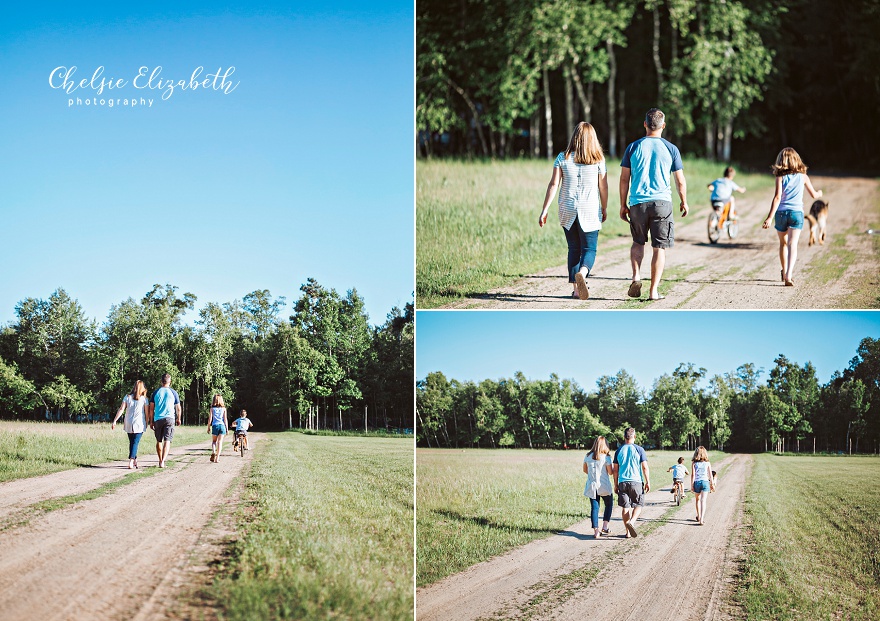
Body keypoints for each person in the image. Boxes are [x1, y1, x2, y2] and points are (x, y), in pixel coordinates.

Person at [619, 108, 689, 301]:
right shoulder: (671, 148)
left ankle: (636, 276)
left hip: (637, 203)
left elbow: (624, 179)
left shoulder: (633, 147)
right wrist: (684, 201)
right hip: (662, 204)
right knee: (659, 247)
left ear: (645, 124)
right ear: (663, 126)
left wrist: (623, 204)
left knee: (637, 242)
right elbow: (680, 181)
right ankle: (653, 291)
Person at [539, 121, 609, 300]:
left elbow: (554, 184)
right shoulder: (598, 160)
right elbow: (603, 188)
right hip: (590, 209)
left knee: (573, 248)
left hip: (567, 208)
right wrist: (605, 207)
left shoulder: (562, 157)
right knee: (589, 249)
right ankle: (583, 275)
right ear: (592, 139)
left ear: (574, 137)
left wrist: (544, 210)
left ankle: (577, 290)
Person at [761, 147, 823, 287]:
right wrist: (819, 193)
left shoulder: (780, 176)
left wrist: (770, 218)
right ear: (797, 160)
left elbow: (777, 197)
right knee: (792, 244)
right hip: (796, 214)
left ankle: (784, 272)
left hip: (781, 213)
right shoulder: (803, 176)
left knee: (783, 244)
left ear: (781, 161)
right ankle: (789, 275)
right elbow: (814, 195)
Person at [612, 427, 650, 538]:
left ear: (624, 437)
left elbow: (615, 470)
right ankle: (632, 522)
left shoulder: (618, 450)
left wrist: (615, 484)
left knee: (625, 507)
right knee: (639, 504)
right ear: (635, 437)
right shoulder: (639, 449)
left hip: (622, 482)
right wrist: (648, 481)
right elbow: (645, 467)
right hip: (636, 482)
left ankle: (627, 532)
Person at [111, 380, 149, 469]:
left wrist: (115, 420)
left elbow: (121, 409)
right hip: (139, 424)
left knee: (132, 442)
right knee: (135, 442)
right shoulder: (144, 399)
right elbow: (147, 413)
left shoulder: (127, 397)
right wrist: (147, 422)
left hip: (128, 423)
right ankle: (131, 460)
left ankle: (135, 460)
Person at [583, 436, 614, 538]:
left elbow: (585, 470)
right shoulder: (606, 457)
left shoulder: (587, 456)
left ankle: (596, 531)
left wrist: (592, 475)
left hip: (592, 486)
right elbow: (610, 472)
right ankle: (605, 526)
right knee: (609, 505)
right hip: (604, 485)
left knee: (595, 508)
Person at [148, 373, 181, 469]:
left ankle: (159, 459)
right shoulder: (174, 393)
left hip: (158, 418)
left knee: (159, 440)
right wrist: (178, 418)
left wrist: (151, 421)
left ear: (161, 381)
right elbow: (178, 408)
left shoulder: (155, 393)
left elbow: (151, 408)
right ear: (170, 381)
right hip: (170, 419)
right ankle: (163, 461)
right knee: (167, 440)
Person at [690, 446, 716, 525]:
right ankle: (702, 519)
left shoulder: (694, 463)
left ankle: (698, 515)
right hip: (705, 482)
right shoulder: (707, 463)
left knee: (697, 500)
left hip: (697, 482)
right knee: (703, 501)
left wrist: (692, 485)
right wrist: (712, 484)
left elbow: (693, 475)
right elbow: (710, 475)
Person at [207, 394, 229, 463]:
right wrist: (227, 429)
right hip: (222, 426)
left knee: (214, 441)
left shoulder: (212, 409)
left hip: (215, 426)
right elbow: (225, 419)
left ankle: (213, 451)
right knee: (220, 442)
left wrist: (208, 428)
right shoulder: (224, 409)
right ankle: (217, 458)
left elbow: (210, 419)